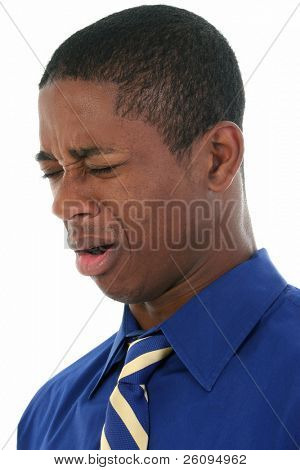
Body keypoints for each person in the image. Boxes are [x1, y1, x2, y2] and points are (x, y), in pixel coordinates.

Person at [17, 4, 300, 450]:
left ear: (217, 158)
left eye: (102, 166)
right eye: (53, 171)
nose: (64, 204)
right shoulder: (46, 418)